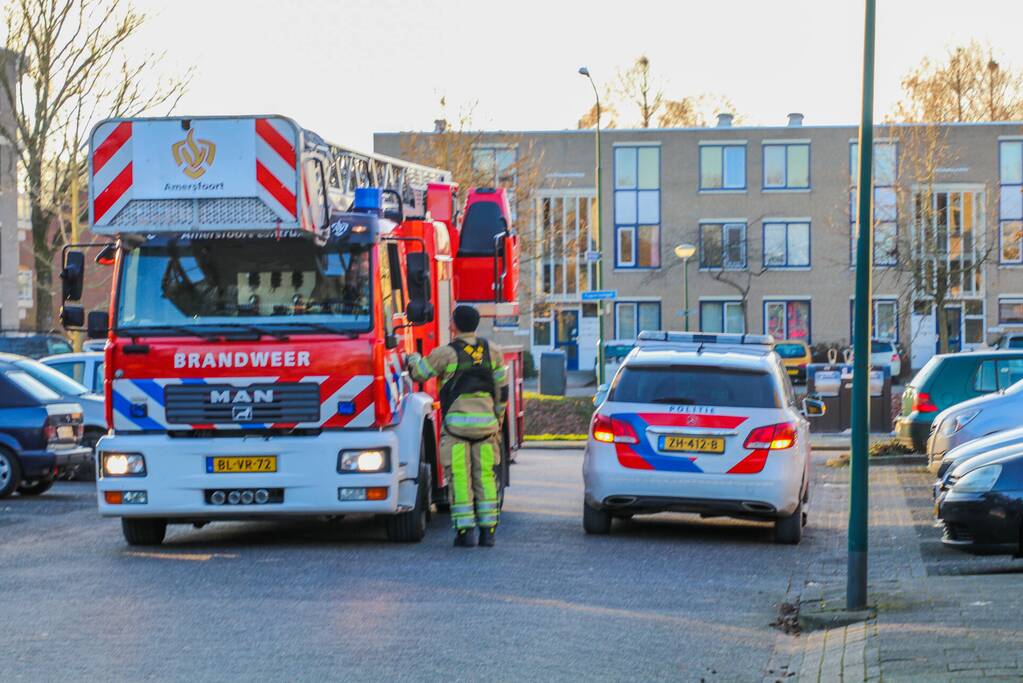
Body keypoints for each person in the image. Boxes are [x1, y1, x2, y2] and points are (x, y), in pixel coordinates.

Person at [406, 304, 508, 547]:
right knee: (485, 477)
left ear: (455, 325)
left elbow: (419, 373)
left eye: (451, 320)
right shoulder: (493, 351)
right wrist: (498, 421)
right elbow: (501, 391)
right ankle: (488, 533)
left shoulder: (446, 353)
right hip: (487, 429)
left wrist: (413, 358)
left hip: (456, 431)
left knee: (460, 477)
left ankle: (466, 533)